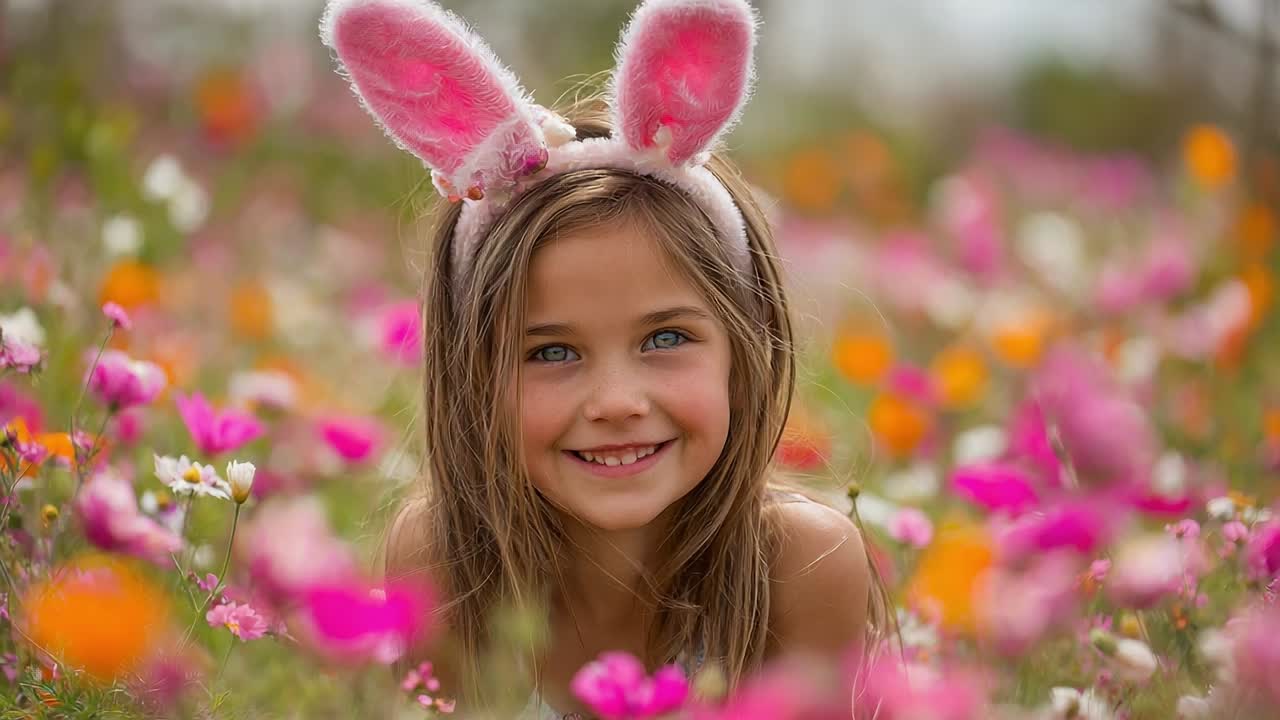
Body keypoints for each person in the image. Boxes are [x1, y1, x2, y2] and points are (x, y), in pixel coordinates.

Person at [321, 0, 884, 716]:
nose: (617, 400)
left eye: (665, 339)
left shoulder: (803, 568)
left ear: (744, 347)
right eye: (552, 351)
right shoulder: (444, 562)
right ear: (473, 379)